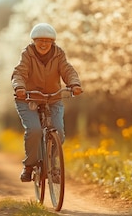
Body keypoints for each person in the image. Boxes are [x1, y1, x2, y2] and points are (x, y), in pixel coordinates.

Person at [11, 23, 82, 182]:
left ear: (53, 42)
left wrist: (74, 84)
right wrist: (19, 87)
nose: (43, 44)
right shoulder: (27, 54)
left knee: (59, 132)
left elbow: (67, 69)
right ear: (34, 41)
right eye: (40, 40)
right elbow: (19, 73)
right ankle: (29, 165)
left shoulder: (58, 54)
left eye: (47, 41)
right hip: (28, 98)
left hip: (53, 98)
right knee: (35, 130)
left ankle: (52, 163)